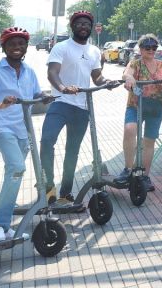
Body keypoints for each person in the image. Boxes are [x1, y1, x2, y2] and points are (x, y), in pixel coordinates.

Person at [0, 26, 47, 243]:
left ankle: (4, 228)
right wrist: (0, 104)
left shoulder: (29, 72)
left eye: (21, 43)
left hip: (23, 129)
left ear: (25, 47)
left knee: (13, 175)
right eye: (12, 44)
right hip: (0, 127)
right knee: (17, 167)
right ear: (4, 47)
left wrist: (44, 97)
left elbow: (35, 92)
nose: (17, 47)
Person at [40, 10, 106, 206]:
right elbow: (52, 72)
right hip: (60, 102)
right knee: (47, 141)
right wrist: (62, 88)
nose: (83, 26)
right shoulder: (61, 47)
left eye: (87, 24)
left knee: (72, 150)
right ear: (72, 26)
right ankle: (48, 186)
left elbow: (97, 77)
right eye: (79, 23)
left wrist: (106, 81)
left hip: (82, 107)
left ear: (91, 28)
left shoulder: (94, 51)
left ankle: (65, 193)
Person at [114, 33, 162, 191]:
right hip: (136, 105)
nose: (151, 50)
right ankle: (128, 169)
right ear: (140, 49)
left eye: (154, 47)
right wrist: (129, 79)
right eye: (147, 47)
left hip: (156, 106)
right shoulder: (136, 63)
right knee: (130, 129)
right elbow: (127, 73)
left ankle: (145, 175)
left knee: (149, 141)